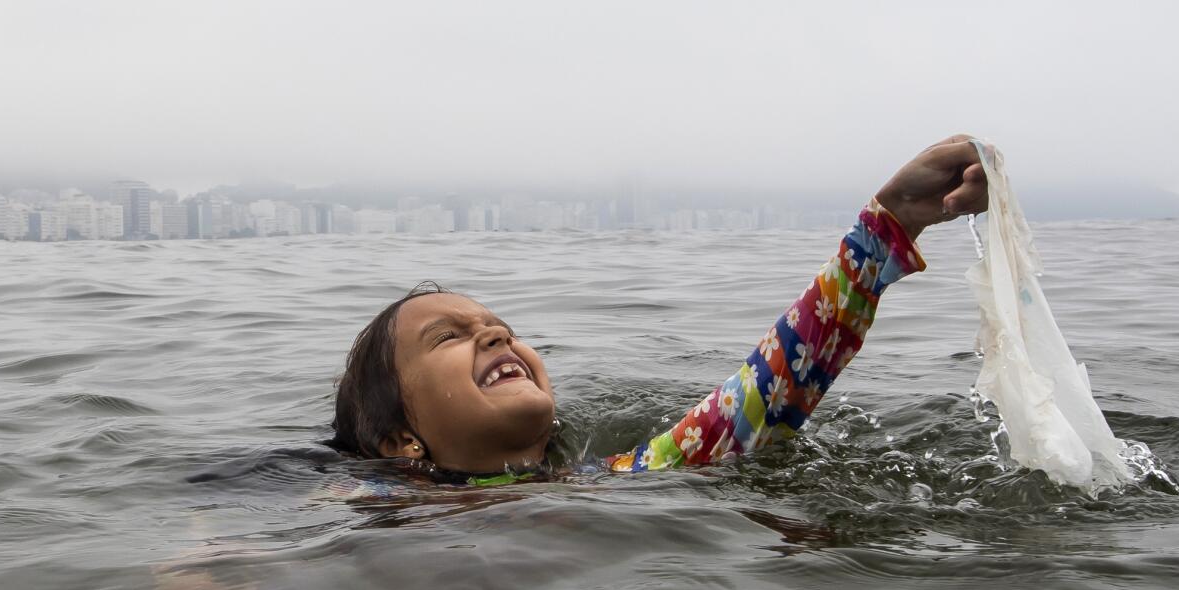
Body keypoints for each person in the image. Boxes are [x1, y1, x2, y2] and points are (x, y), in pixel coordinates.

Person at [328, 136, 990, 483]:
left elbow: (761, 394)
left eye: (500, 326)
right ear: (400, 441)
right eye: (449, 335)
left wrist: (883, 232)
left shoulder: (614, 479)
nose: (496, 332)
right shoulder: (375, 508)